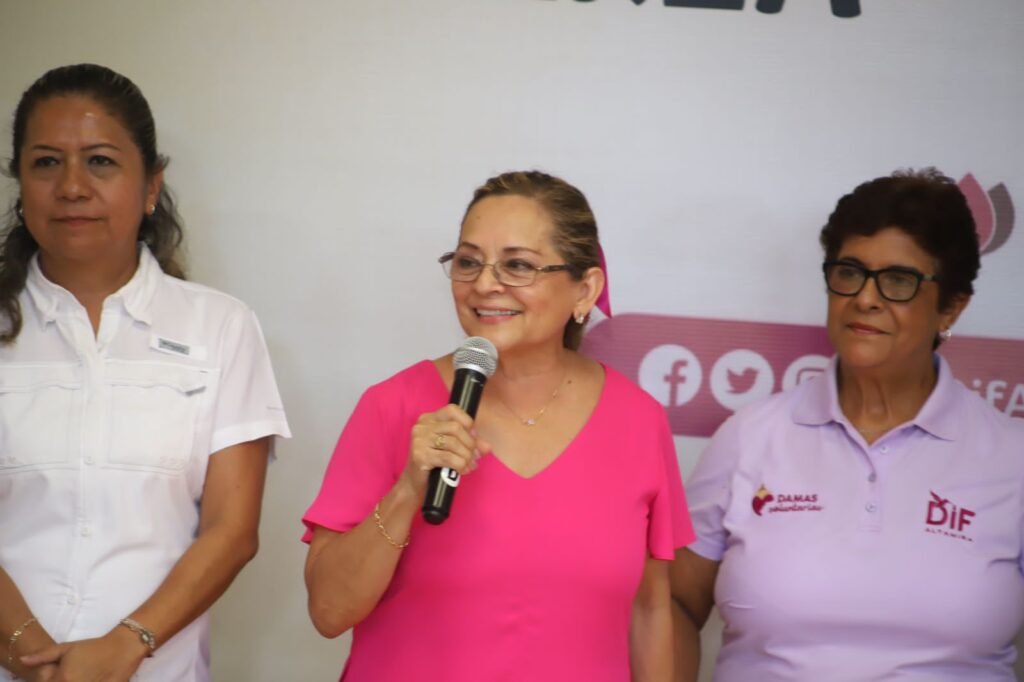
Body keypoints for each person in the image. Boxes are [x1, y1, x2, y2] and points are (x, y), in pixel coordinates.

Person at [303, 170, 693, 681]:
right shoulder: (393, 406)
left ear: (585, 290)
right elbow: (328, 612)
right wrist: (407, 490)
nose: (485, 284)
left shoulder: (639, 420)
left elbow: (650, 610)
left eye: (518, 266)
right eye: (469, 262)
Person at [671, 169, 1024, 681]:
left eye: (898, 280)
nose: (865, 298)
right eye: (849, 272)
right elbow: (674, 603)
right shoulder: (749, 437)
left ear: (951, 307)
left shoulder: (1011, 458)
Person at [0, 64, 290, 682]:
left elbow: (232, 531)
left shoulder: (222, 327)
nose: (72, 187)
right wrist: (29, 651)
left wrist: (126, 645)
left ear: (151, 185)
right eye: (46, 163)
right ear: (20, 184)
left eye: (100, 162)